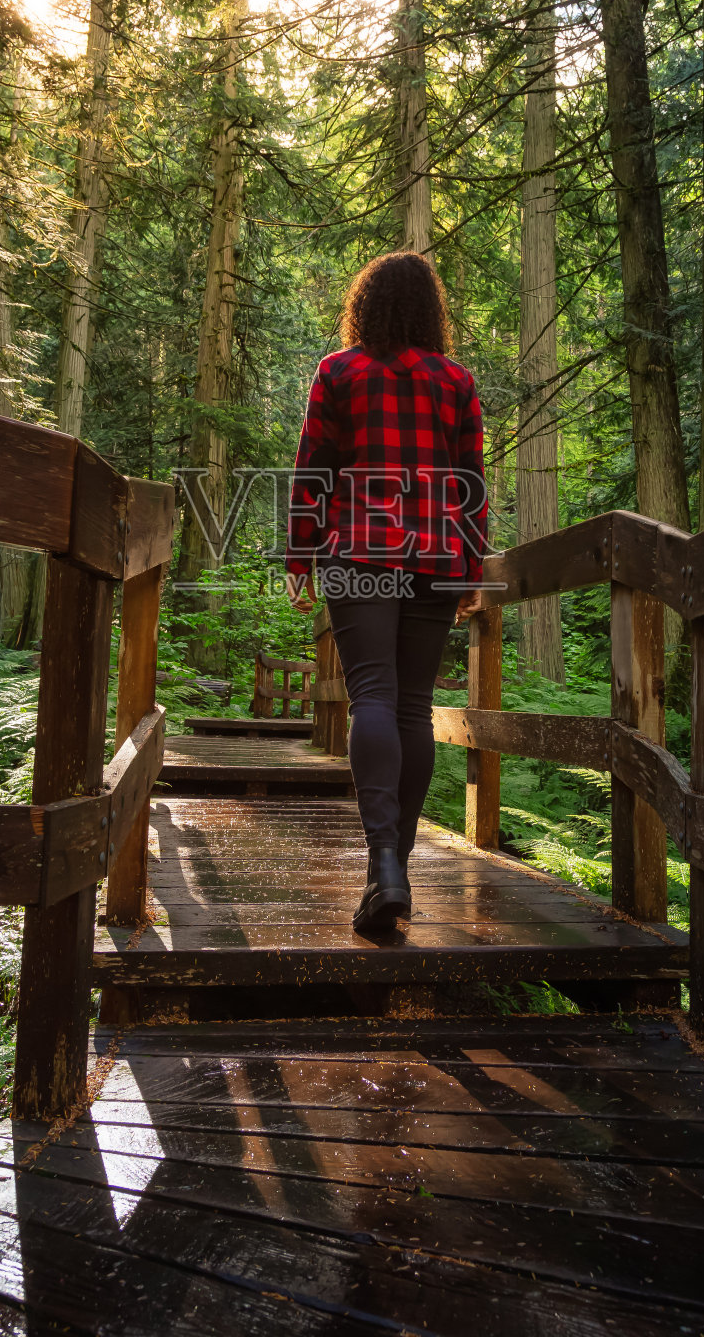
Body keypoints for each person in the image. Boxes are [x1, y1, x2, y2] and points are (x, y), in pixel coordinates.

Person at [285, 251, 488, 933]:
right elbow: (470, 484)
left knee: (370, 693)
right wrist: (469, 569)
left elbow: (314, 465)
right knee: (412, 704)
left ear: (364, 305)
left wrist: (299, 552)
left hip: (358, 549)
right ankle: (391, 866)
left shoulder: (338, 372)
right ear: (430, 310)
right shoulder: (455, 382)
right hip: (433, 554)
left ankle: (384, 866)